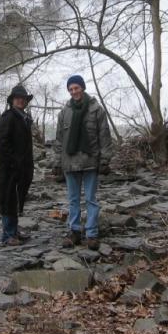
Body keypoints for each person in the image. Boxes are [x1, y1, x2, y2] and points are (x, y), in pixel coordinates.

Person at [53, 74, 112, 250]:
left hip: (91, 161)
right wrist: (56, 162)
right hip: (70, 162)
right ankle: (75, 231)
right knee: (73, 200)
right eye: (70, 89)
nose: (74, 92)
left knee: (91, 199)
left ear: (82, 88)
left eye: (76, 88)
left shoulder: (96, 109)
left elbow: (104, 136)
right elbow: (59, 140)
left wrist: (105, 159)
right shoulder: (64, 112)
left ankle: (92, 234)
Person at [0, 84, 35, 246]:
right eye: (18, 98)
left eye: (23, 98)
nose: (21, 100)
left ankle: (13, 231)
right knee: (8, 199)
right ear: (12, 100)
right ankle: (8, 235)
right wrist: (14, 162)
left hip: (22, 167)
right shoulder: (8, 117)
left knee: (17, 199)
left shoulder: (23, 117)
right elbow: (2, 143)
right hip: (9, 168)